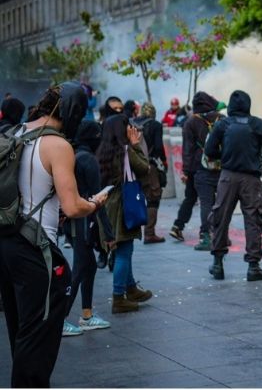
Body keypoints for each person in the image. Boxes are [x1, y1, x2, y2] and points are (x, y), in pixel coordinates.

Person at [0, 83, 105, 387]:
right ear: (72, 111)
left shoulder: (13, 131)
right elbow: (72, 207)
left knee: (21, 329)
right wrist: (96, 202)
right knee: (38, 337)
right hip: (35, 249)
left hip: (6, 241)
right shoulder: (57, 145)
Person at [205, 90, 262, 281]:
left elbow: (209, 150)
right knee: (253, 220)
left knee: (221, 217)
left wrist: (225, 157)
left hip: (227, 177)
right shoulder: (258, 124)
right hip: (251, 179)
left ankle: (218, 263)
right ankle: (254, 266)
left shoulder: (223, 124)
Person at [97, 114, 154, 314]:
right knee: (124, 251)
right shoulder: (126, 152)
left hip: (108, 205)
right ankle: (119, 297)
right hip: (123, 206)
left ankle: (130, 288)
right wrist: (135, 144)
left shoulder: (103, 151)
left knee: (122, 247)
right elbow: (144, 167)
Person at [62, 120, 113, 337]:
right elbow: (96, 198)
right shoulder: (88, 160)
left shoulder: (72, 155)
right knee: (81, 267)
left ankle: (87, 315)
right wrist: (109, 233)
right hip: (82, 220)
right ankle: (61, 319)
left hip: (73, 220)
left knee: (88, 266)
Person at [174, 92, 224, 251]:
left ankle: (206, 236)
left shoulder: (191, 122)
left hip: (199, 168)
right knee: (221, 203)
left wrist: (186, 171)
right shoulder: (221, 119)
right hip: (222, 167)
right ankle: (222, 236)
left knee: (205, 203)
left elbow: (187, 149)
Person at [132, 103, 167, 244]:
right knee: (153, 197)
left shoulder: (132, 123)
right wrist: (163, 162)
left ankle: (132, 230)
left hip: (133, 164)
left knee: (134, 195)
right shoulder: (155, 125)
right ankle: (149, 233)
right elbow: (158, 147)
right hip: (149, 165)